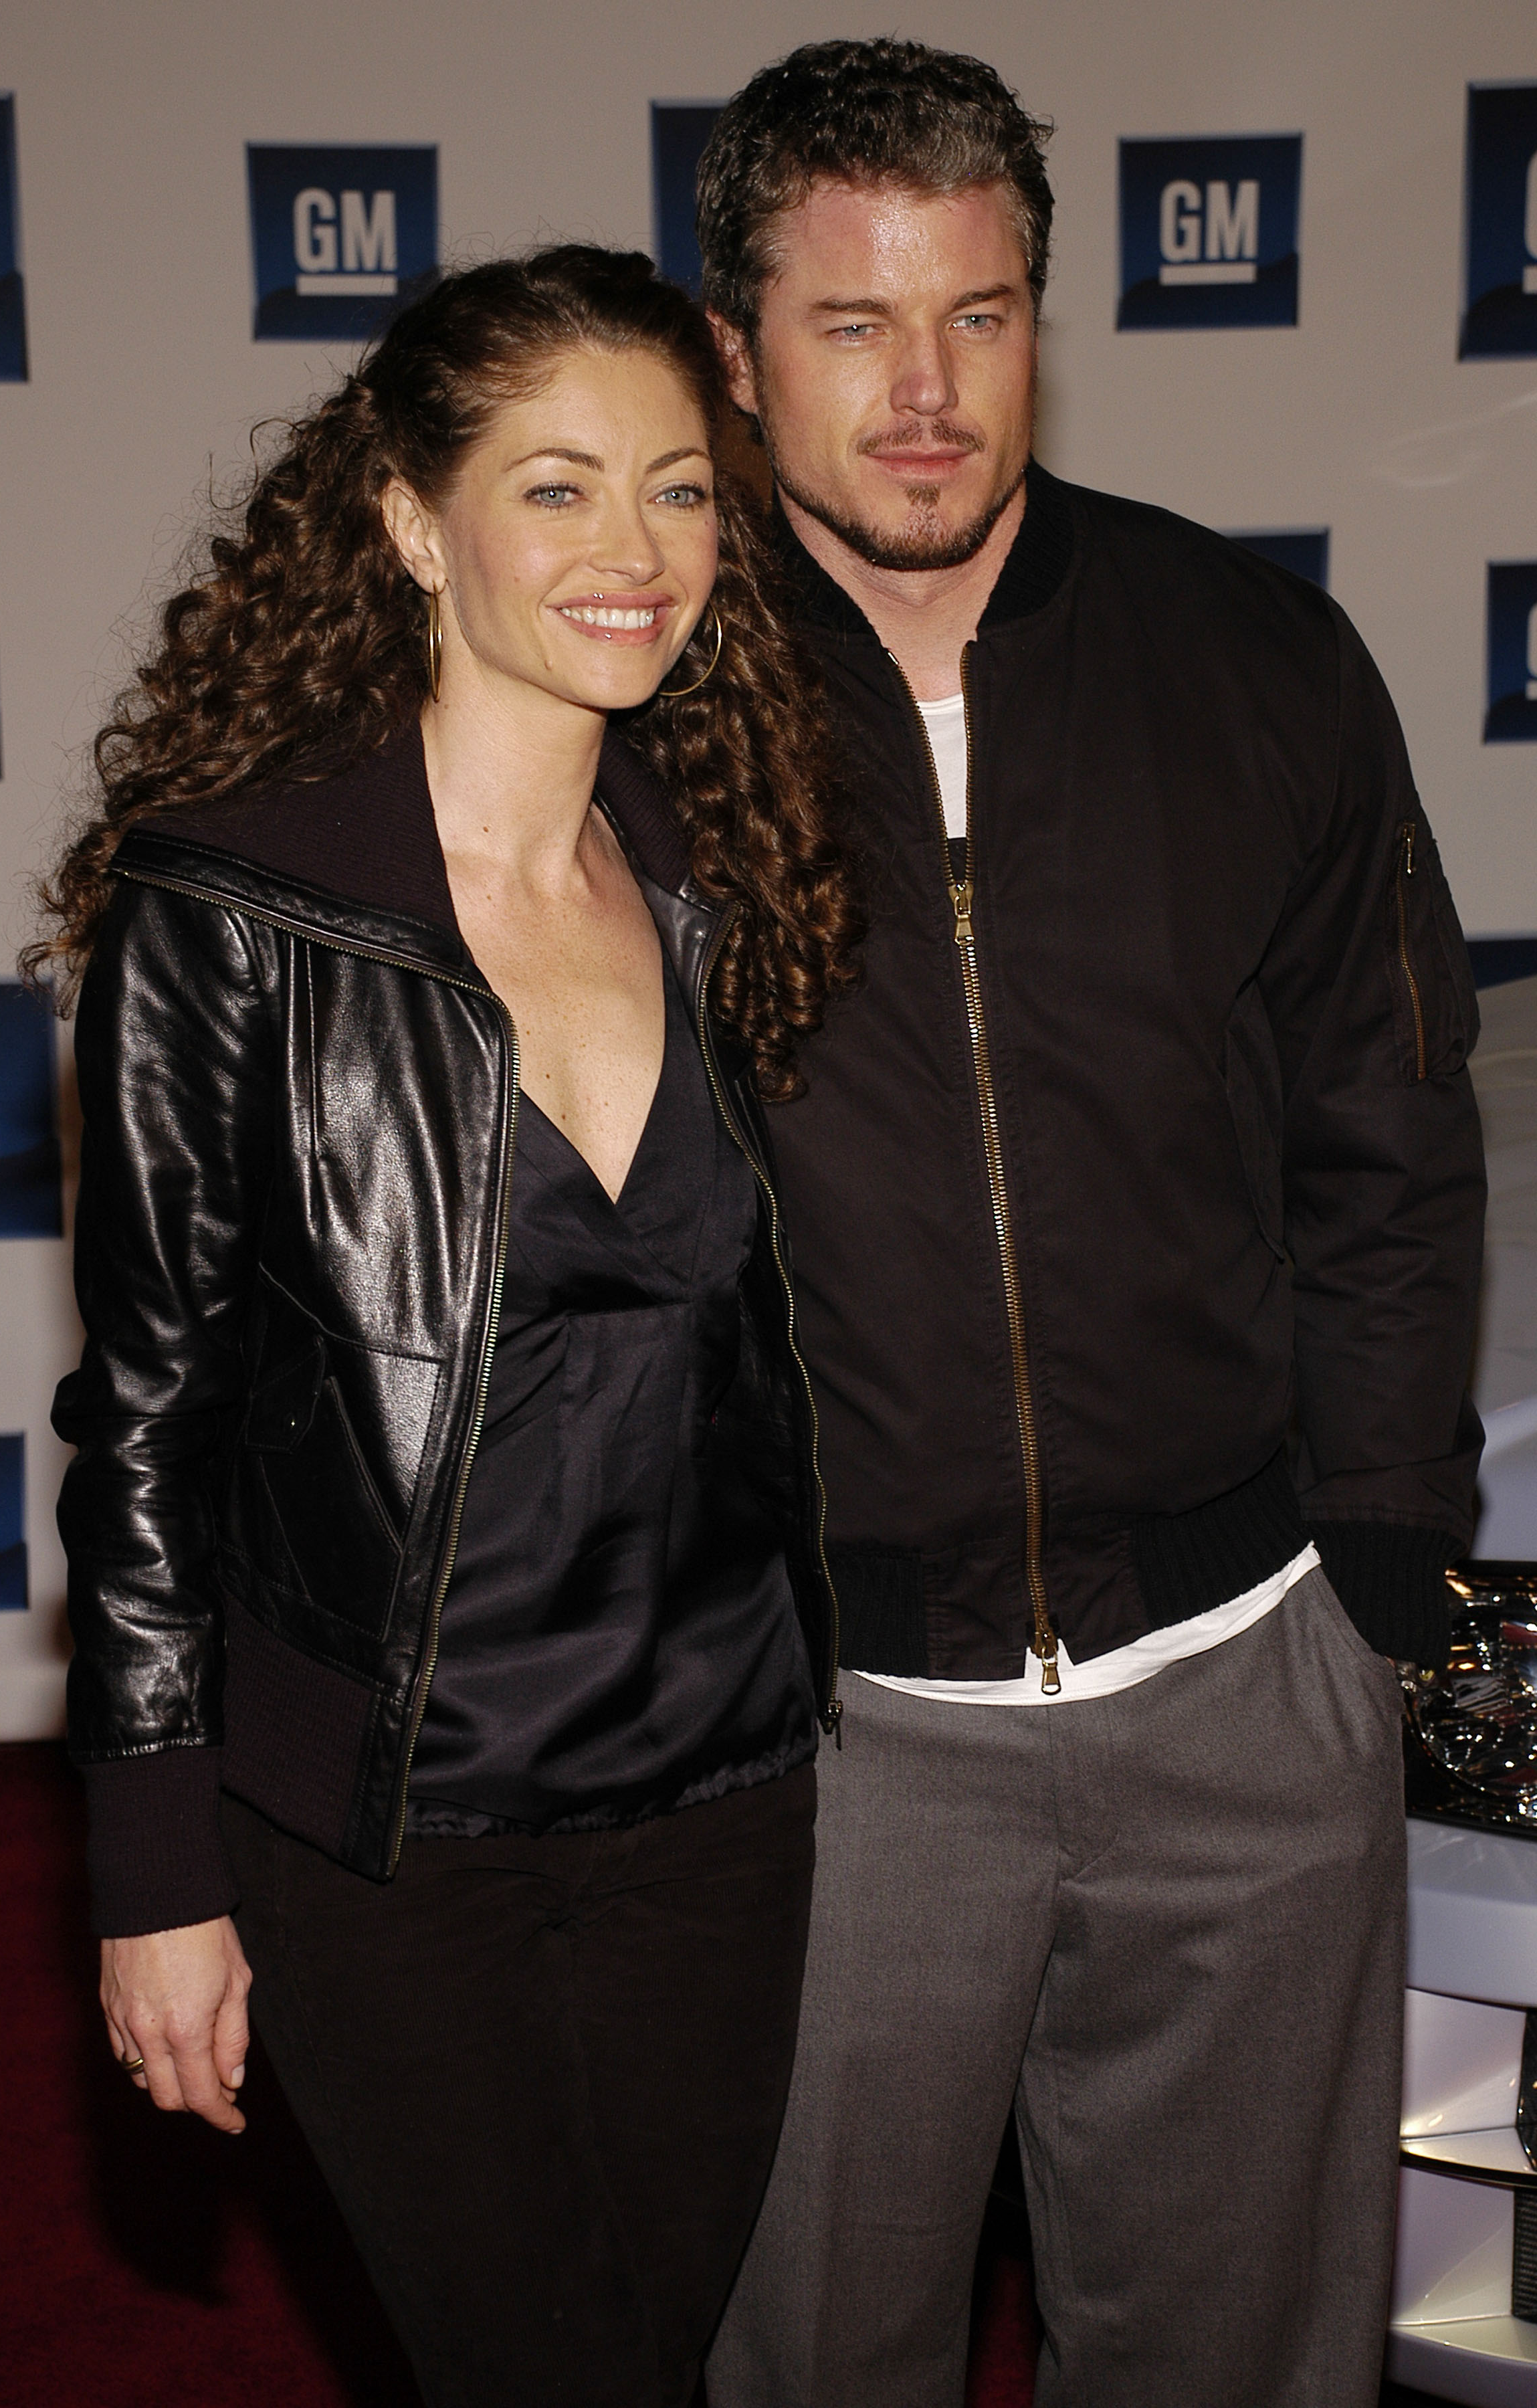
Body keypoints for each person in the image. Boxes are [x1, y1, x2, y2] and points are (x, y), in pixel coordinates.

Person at [692, 40, 1485, 2408]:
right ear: (735, 352)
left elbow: (1386, 1136)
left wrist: (1374, 1582)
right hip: (825, 1742)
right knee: (800, 2367)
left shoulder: (1252, 659)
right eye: (853, 326)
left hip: (1246, 1692)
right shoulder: (639, 709)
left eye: (982, 316)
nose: (928, 395)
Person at [35, 245, 861, 2408]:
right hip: (399, 1820)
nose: (633, 552)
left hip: (722, 1797)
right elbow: (148, 1424)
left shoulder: (727, 876)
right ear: (414, 523)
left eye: (679, 492)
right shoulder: (235, 908)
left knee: (657, 2356)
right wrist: (152, 1864)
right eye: (557, 488)